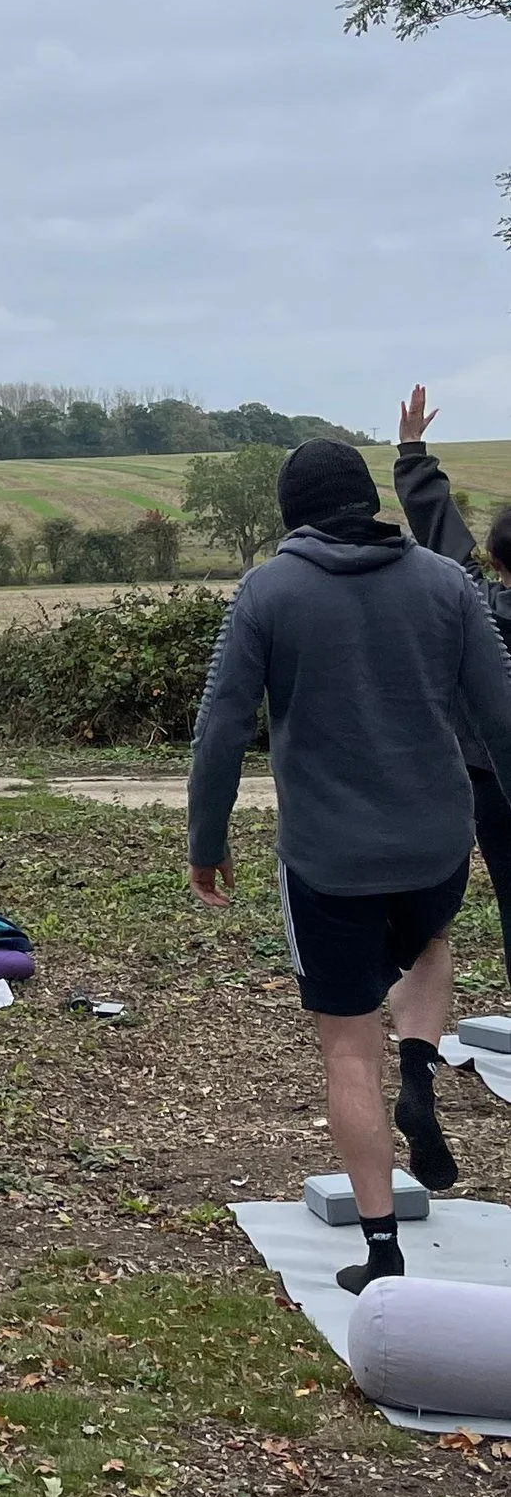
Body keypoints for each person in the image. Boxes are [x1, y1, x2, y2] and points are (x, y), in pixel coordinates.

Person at [189, 435, 511, 1276]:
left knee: (344, 1048)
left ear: (291, 512)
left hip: (327, 856)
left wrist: (207, 838)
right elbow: (502, 717)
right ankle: (420, 1066)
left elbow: (222, 724)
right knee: (430, 941)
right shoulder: (449, 584)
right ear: (369, 500)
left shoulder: (268, 590)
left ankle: (381, 1248)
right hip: (437, 842)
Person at [393, 384, 511, 984]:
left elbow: (442, 536)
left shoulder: (480, 606)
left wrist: (413, 449)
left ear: (495, 561)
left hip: (492, 777)